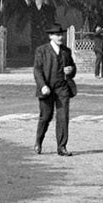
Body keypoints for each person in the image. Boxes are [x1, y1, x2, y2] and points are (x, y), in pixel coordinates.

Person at [32, 23, 77, 156]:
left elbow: (72, 69)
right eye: (57, 35)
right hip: (47, 88)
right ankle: (38, 142)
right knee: (46, 116)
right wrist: (43, 86)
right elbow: (37, 71)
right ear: (51, 36)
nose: (60, 37)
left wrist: (70, 70)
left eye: (61, 34)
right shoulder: (42, 51)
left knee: (63, 117)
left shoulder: (66, 51)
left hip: (62, 88)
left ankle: (62, 147)